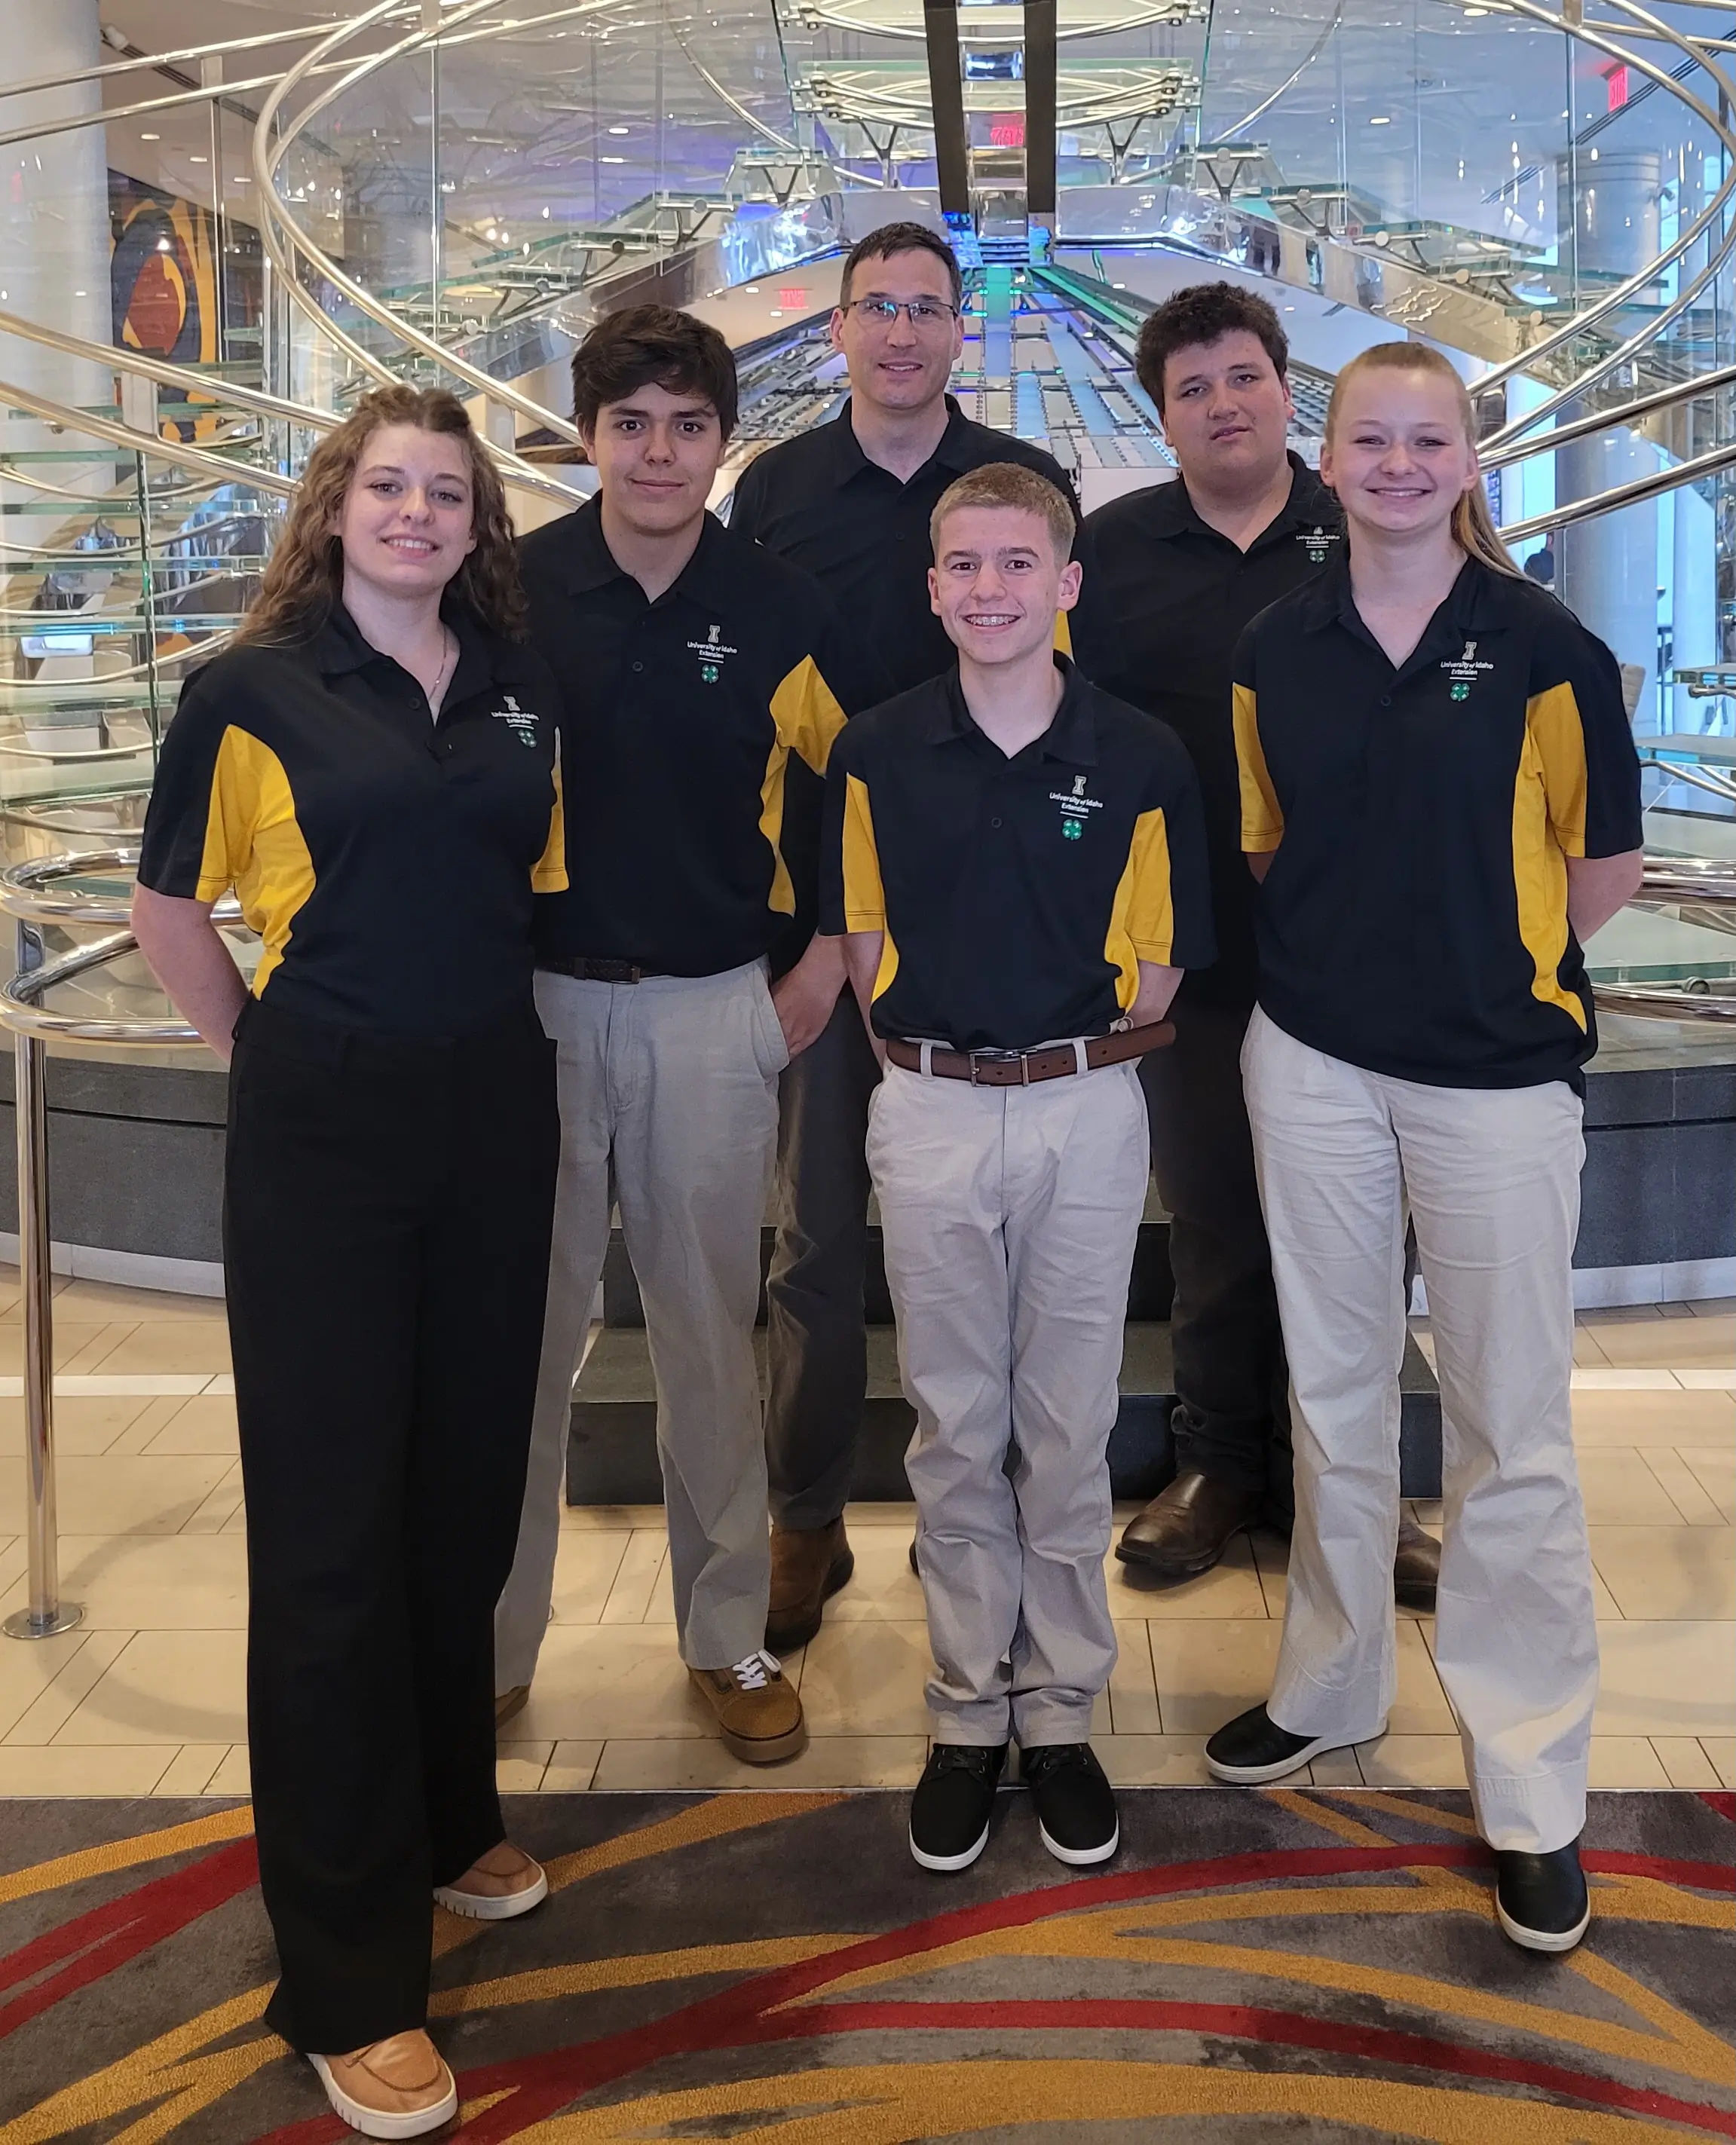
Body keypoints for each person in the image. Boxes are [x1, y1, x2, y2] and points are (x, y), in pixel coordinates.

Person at [132, 385, 565, 2139]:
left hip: (494, 1109)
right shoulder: (251, 691)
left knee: (459, 1496)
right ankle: (345, 1977)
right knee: (327, 1540)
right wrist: (275, 1051)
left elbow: (527, 883)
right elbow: (174, 905)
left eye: (444, 492)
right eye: (387, 486)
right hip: (328, 1129)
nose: (415, 514)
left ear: (475, 521)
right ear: (335, 504)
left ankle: (447, 1820)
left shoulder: (519, 684)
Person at [1204, 342, 1643, 1955]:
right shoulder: (1274, 646)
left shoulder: (1540, 646)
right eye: (1366, 439)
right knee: (1326, 1396)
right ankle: (1327, 1687)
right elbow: (1268, 841)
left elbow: (1597, 871)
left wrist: (1469, 957)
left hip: (1493, 1079)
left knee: (1505, 1429)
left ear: (1467, 461)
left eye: (1425, 440)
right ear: (1326, 460)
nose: (1394, 464)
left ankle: (1528, 1783)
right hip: (1310, 1059)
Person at [730, 219, 1118, 1656]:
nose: (900, 332)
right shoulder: (772, 493)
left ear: (964, 329)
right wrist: (817, 935)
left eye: (926, 308)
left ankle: (1008, 1541)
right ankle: (805, 1519)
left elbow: (1071, 711)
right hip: (833, 943)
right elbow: (754, 726)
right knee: (819, 1240)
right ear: (835, 330)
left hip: (1001, 936)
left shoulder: (1017, 487)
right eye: (873, 308)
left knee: (1021, 1268)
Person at [493, 304, 872, 1761]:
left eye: (689, 424)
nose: (660, 451)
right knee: (518, 1340)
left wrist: (822, 966)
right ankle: (492, 1638)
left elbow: (858, 792)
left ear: (725, 443)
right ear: (587, 437)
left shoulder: (780, 607)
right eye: (632, 423)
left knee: (713, 1337)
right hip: (532, 1011)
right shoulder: (508, 593)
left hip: (719, 1009)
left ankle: (726, 1637)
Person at [823, 462, 1213, 1872]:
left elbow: (1161, 957)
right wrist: (935, 1073)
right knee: (950, 1416)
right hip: (926, 1104)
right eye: (963, 566)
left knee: (1062, 1419)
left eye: (1015, 564)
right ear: (932, 590)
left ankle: (1057, 1711)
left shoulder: (1141, 755)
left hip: (1083, 1107)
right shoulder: (872, 751)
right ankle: (962, 1714)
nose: (988, 590)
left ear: (1065, 583)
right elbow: (862, 944)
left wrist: (1055, 1070)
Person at [1085, 283, 1441, 1607]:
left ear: (1285, 387)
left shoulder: (1367, 522)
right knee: (1220, 1223)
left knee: (1363, 1231)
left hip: (1357, 954)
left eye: (1241, 377)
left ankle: (1353, 1489)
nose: (1221, 404)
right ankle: (1219, 1466)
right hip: (1190, 955)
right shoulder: (1111, 549)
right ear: (1161, 415)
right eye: (1191, 389)